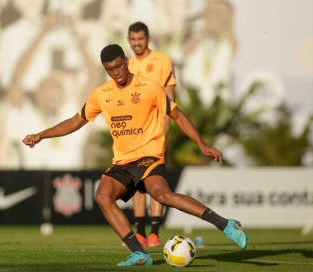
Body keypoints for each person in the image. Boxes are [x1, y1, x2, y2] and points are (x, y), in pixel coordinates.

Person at [22, 44, 247, 266]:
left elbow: (177, 115)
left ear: (126, 61)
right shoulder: (101, 94)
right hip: (122, 161)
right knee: (102, 196)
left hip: (149, 156)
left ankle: (226, 225)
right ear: (105, 69)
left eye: (119, 66)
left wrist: (202, 144)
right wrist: (41, 135)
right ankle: (140, 254)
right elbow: (75, 121)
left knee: (162, 195)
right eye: (110, 69)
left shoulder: (148, 87)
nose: (116, 72)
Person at [126, 21, 176, 247]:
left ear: (148, 39)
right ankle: (139, 233)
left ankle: (154, 232)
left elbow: (170, 99)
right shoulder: (126, 65)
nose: (137, 43)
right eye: (133, 39)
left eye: (140, 39)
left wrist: (164, 129)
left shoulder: (163, 61)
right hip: (132, 135)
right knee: (137, 183)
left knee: (155, 180)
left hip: (155, 132)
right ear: (128, 40)